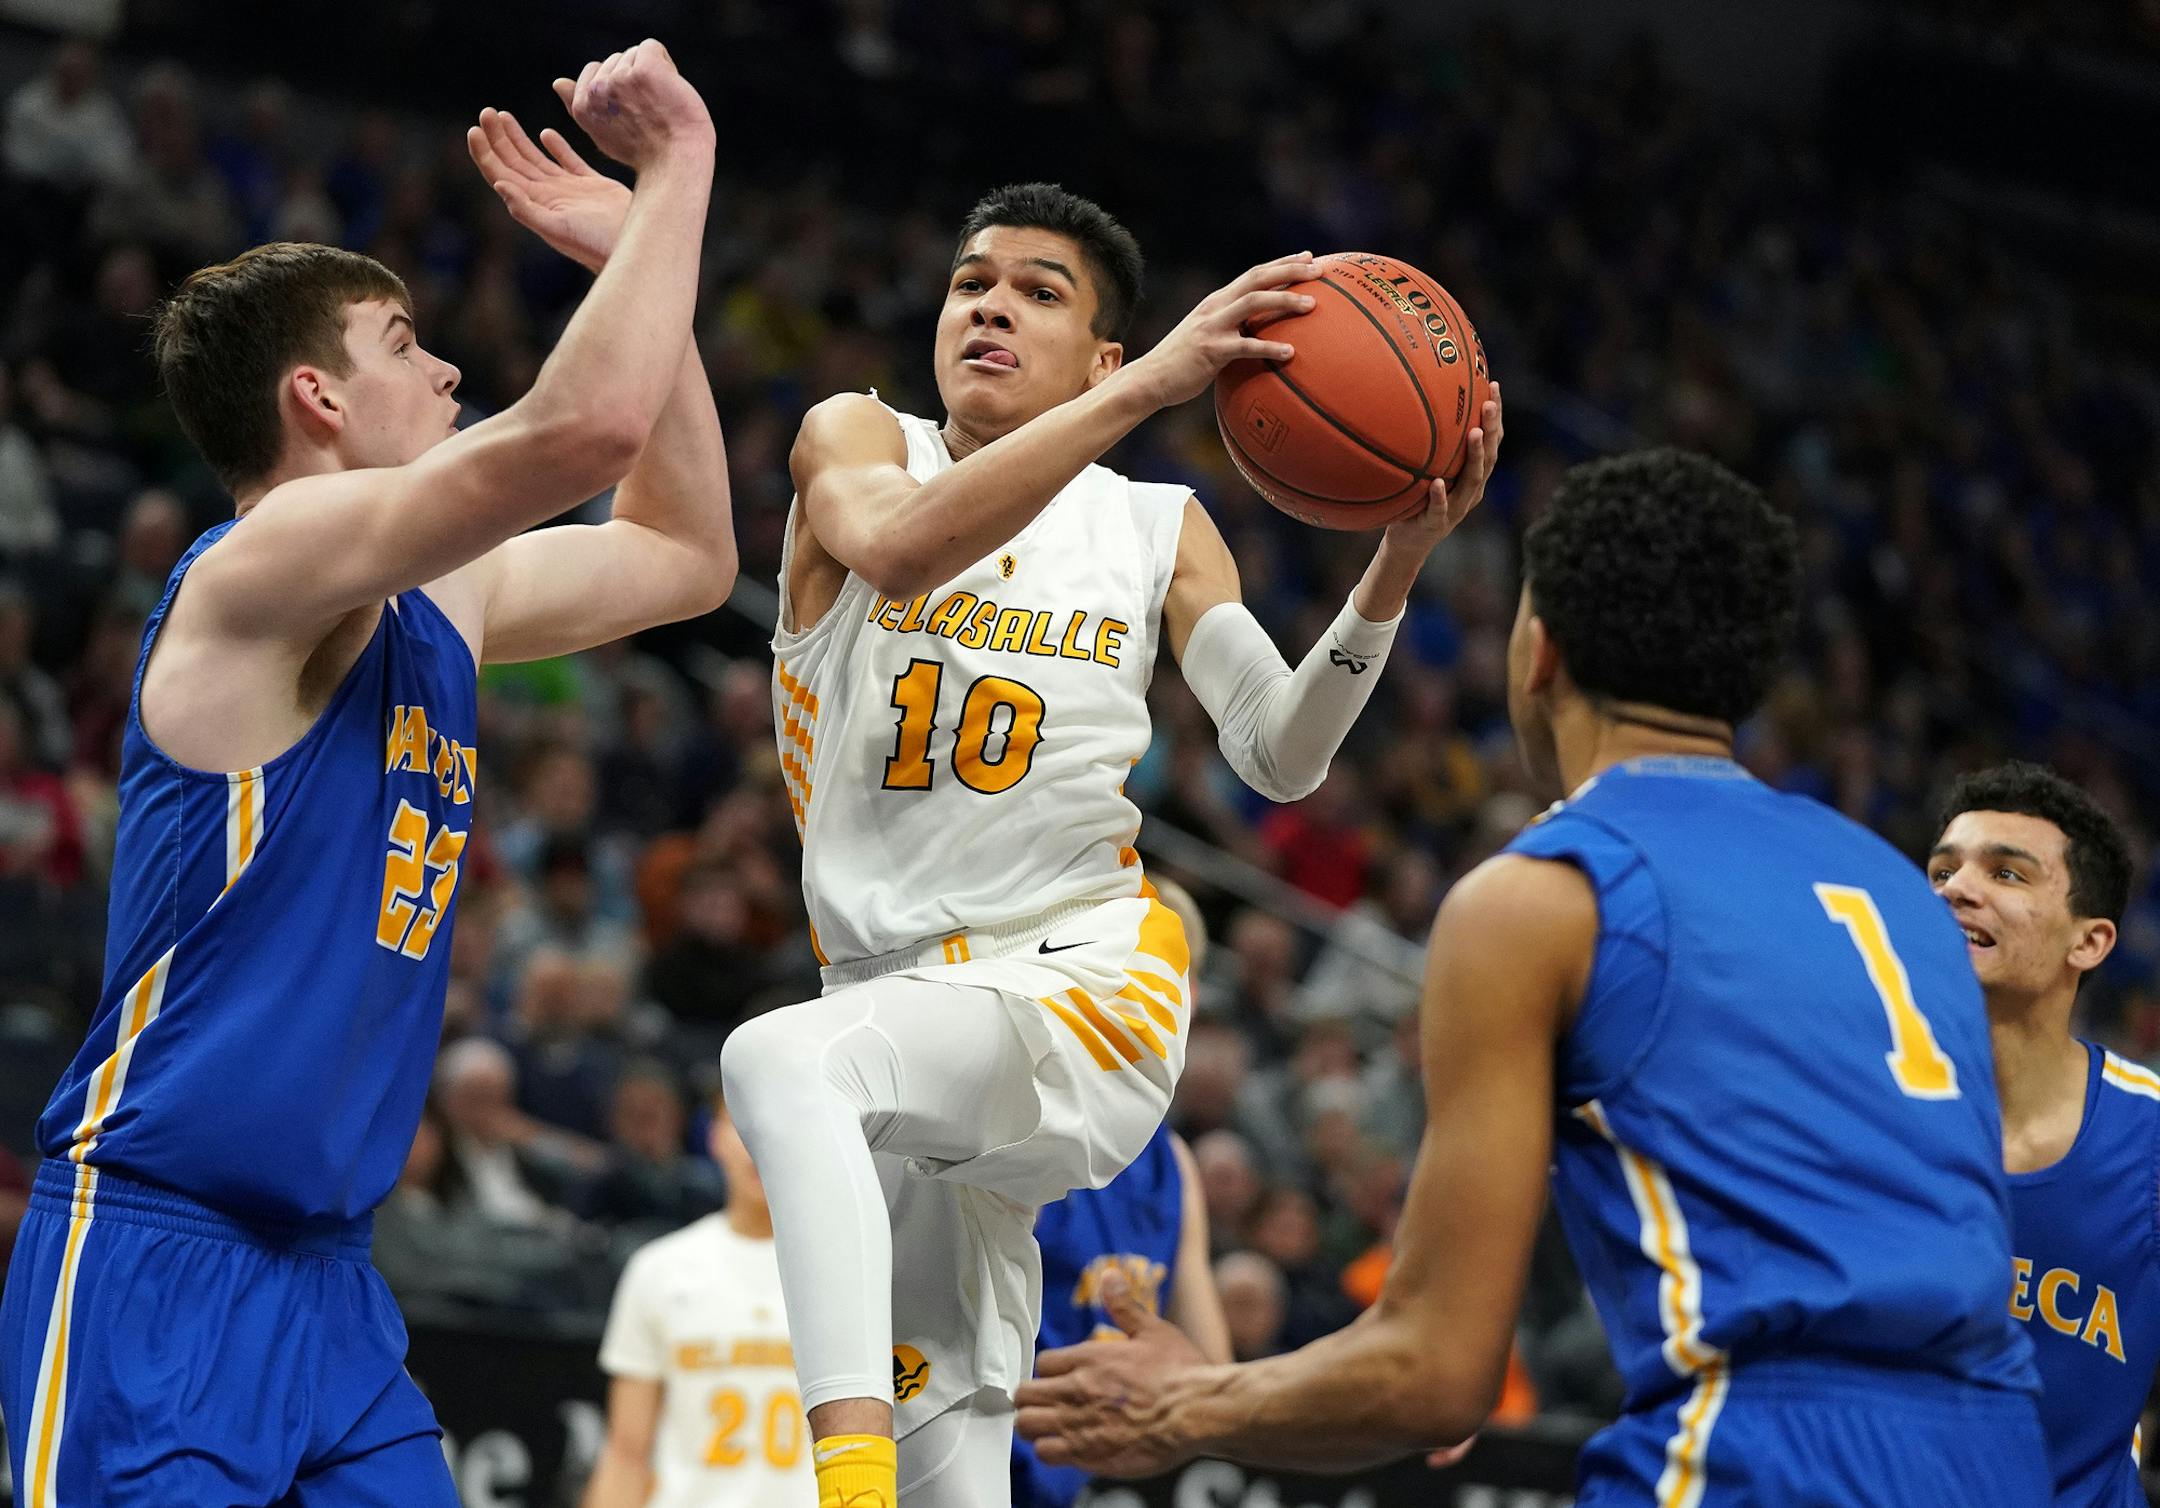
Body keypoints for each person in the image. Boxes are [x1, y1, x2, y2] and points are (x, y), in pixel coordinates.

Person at [1015, 447, 2047, 1505]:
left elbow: (1435, 1373)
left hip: (1761, 1457)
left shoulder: (1545, 894)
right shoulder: (1904, 896)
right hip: (2009, 1454)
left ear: (1538, 648)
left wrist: (1185, 1401)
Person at [0, 43, 734, 1506]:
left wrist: (633, 256)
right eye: (404, 343)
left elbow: (686, 557)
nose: (449, 363)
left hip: (331, 1283)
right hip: (159, 1250)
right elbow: (578, 430)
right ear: (316, 399)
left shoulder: (440, 597)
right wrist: (678, 174)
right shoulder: (255, 570)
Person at [718, 180, 1502, 1508]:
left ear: (1106, 358)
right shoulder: (858, 440)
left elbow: (1281, 750)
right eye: (973, 283)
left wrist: (1396, 564)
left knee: (773, 1063)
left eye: (1040, 292)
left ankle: (835, 1489)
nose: (991, 308)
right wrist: (1144, 400)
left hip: (1081, 974)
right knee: (946, 1463)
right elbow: (900, 551)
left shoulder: (1155, 527)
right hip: (898, 1017)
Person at [1930, 762, 2148, 1506]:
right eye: (1942, 869)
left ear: (2088, 943)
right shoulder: (1845, 1105)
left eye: (2007, 874)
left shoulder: (2149, 1138)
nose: (1957, 888)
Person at [1014, 879, 1231, 1508]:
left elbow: (1211, 1371)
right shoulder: (1021, 1110)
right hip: (975, 1456)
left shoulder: (1176, 1163)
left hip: (1087, 1474)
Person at [584, 1094, 813, 1508]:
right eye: (743, 1125)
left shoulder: (853, 1274)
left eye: (780, 1124)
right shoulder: (658, 1269)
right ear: (714, 1137)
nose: (759, 1144)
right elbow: (626, 1453)